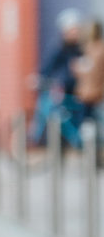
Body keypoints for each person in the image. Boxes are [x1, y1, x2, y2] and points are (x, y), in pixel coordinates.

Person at [29, 8, 84, 148]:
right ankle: (38, 137)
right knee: (50, 106)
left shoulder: (81, 49)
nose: (74, 33)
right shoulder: (60, 49)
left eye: (76, 29)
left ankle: (78, 140)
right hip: (64, 89)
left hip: (77, 90)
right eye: (72, 30)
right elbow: (48, 67)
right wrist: (40, 78)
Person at [73, 19, 104, 135]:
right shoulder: (95, 48)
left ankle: (87, 143)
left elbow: (91, 70)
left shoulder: (95, 49)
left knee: (86, 121)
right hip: (92, 90)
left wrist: (77, 67)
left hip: (90, 91)